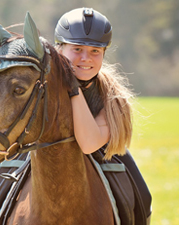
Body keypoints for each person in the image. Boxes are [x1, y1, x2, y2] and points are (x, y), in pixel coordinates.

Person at [54, 7, 152, 224]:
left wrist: (72, 88)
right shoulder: (42, 84)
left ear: (104, 54)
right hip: (44, 152)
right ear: (60, 49)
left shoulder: (113, 97)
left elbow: (89, 144)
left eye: (95, 51)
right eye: (77, 48)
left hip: (103, 154)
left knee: (143, 197)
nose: (85, 58)